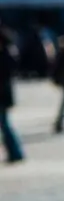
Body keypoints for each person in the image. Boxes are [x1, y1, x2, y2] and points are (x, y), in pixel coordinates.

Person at [1, 26, 23, 163]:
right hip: (4, 94)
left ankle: (15, 152)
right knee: (5, 124)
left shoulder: (5, 55)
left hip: (2, 95)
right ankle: (14, 152)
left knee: (5, 125)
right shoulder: (8, 53)